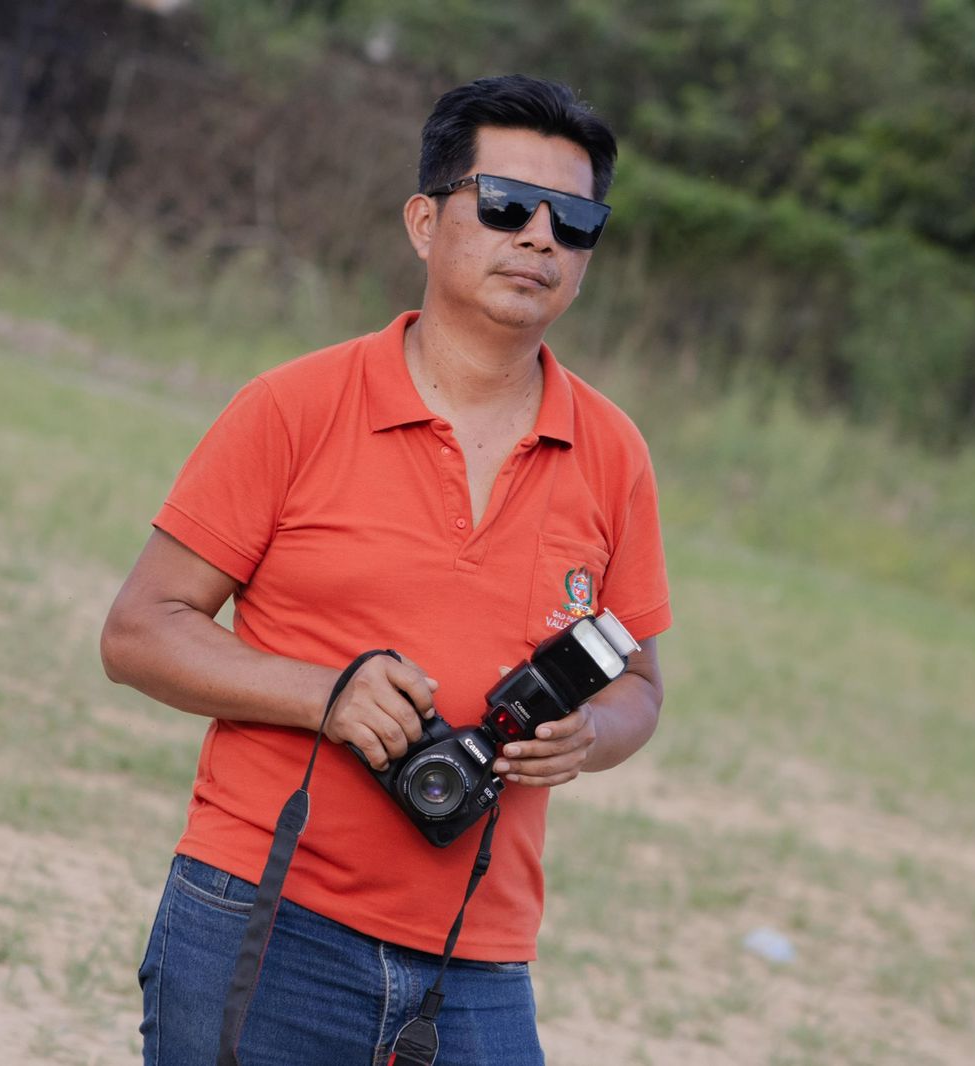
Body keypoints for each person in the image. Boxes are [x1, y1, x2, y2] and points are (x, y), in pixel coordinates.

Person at [101, 74, 671, 1065]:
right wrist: (325, 695)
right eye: (506, 205)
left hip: (477, 959)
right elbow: (139, 630)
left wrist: (588, 736)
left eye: (573, 220)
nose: (539, 237)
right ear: (424, 221)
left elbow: (640, 685)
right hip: (263, 917)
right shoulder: (294, 407)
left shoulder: (613, 452)